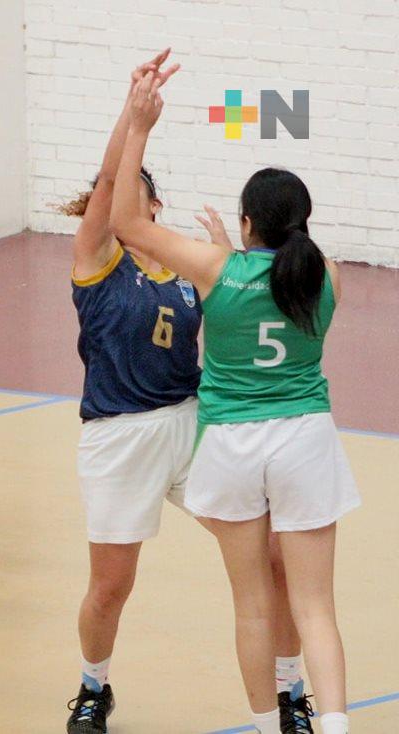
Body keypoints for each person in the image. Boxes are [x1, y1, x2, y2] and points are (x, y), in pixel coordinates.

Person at [63, 50, 317, 734]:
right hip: (117, 434)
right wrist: (133, 109)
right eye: (107, 189)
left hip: (192, 424)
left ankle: (291, 691)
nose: (113, 192)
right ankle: (94, 688)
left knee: (270, 559)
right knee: (111, 585)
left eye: (128, 187)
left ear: (155, 202)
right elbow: (113, 178)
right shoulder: (96, 259)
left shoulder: (189, 268)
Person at [110, 71, 360, 734]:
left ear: (246, 221)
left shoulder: (216, 269)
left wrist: (139, 124)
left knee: (252, 604)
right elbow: (274, 285)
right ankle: (334, 724)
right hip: (304, 438)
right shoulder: (327, 275)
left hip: (231, 445)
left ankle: (263, 724)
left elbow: (124, 221)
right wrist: (229, 250)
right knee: (315, 608)